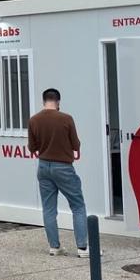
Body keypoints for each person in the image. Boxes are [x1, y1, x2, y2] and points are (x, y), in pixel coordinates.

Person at [29, 88, 92, 257]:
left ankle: (54, 247)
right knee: (78, 205)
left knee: (49, 209)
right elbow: (76, 144)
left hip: (43, 167)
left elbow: (32, 147)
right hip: (63, 167)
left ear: (44, 101)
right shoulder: (66, 119)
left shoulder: (34, 120)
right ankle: (83, 248)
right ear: (58, 102)